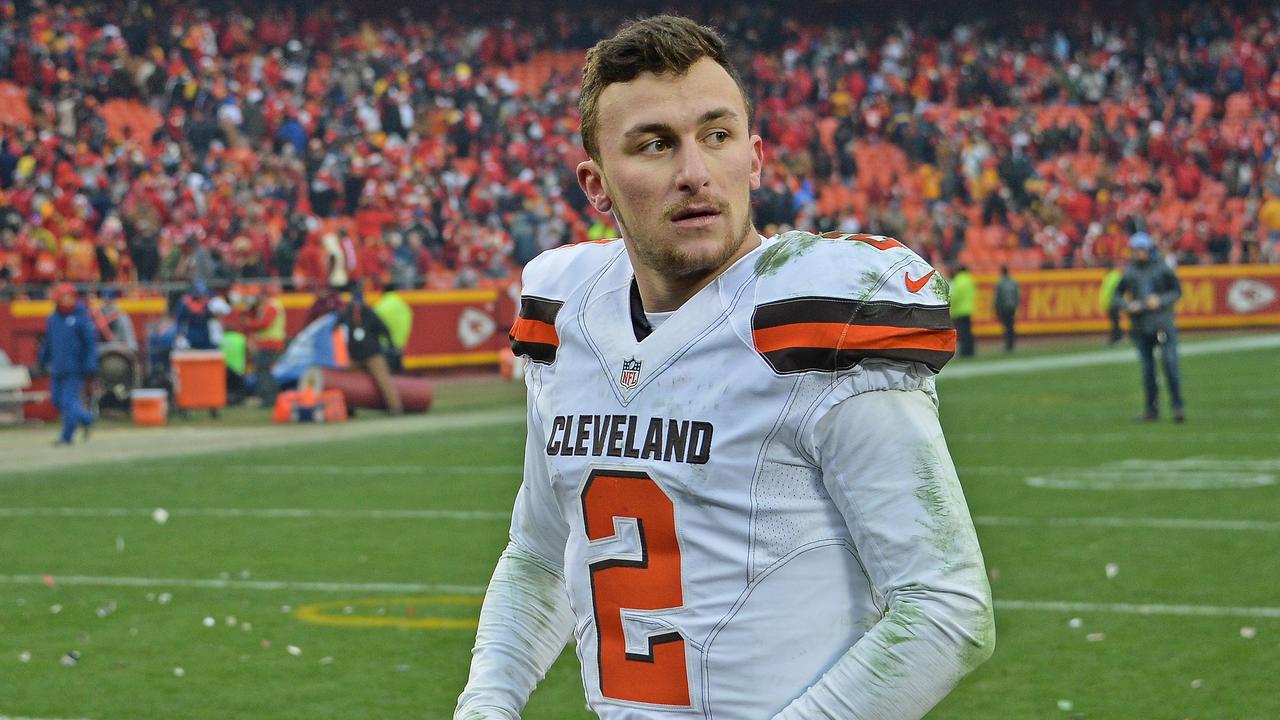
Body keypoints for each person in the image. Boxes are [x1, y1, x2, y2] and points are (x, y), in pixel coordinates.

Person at [456, 16, 992, 720]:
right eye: (654, 145)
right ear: (597, 184)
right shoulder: (570, 316)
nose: (694, 174)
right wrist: (486, 706)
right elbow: (537, 555)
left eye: (717, 135)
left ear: (755, 157)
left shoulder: (813, 316)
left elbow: (945, 607)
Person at [1114, 232, 1185, 422]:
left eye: (1140, 250)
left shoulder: (1162, 268)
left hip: (1162, 323)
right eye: (1135, 250)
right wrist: (1128, 305)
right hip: (1141, 326)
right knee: (1147, 371)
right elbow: (1117, 296)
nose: (1138, 254)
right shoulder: (1129, 271)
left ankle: (1178, 407)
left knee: (1170, 364)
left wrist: (1160, 300)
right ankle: (1151, 410)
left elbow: (1177, 291)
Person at [38, 283, 97, 446]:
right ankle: (86, 418)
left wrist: (90, 366)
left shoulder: (81, 318)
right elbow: (48, 343)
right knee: (57, 400)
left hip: (75, 368)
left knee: (68, 402)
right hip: (58, 368)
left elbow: (90, 344)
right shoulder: (53, 319)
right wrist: (42, 360)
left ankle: (66, 436)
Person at [338, 282, 401, 414]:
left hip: (372, 354)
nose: (357, 306)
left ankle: (395, 407)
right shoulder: (345, 314)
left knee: (383, 379)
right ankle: (349, 408)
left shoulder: (370, 314)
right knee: (346, 381)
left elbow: (384, 330)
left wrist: (391, 346)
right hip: (355, 356)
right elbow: (335, 327)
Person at [238, 284, 286, 405]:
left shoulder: (272, 307)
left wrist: (249, 323)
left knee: (263, 371)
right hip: (268, 344)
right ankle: (270, 398)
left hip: (270, 344)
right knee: (263, 371)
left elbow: (264, 324)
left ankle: (271, 398)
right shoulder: (267, 306)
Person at [372, 282, 413, 373]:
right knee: (398, 371)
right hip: (400, 343)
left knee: (386, 373)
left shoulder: (380, 306)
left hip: (384, 344)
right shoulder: (403, 306)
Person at [949, 264, 977, 357]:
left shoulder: (958, 281)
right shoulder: (969, 280)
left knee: (962, 334)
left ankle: (965, 352)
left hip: (959, 310)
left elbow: (955, 296)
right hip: (968, 309)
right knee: (968, 332)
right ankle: (970, 351)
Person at [993, 265, 1020, 352]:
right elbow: (1017, 295)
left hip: (1004, 307)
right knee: (1011, 326)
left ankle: (1008, 344)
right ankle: (1011, 343)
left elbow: (998, 297)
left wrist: (996, 308)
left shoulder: (1000, 283)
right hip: (1012, 307)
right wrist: (1016, 304)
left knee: (1006, 326)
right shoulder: (1014, 282)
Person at [1099, 261, 1124, 345]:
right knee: (1115, 321)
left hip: (1113, 303)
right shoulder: (1113, 276)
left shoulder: (1113, 276)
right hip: (1111, 303)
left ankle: (1117, 338)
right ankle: (1117, 337)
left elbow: (1115, 291)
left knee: (1115, 321)